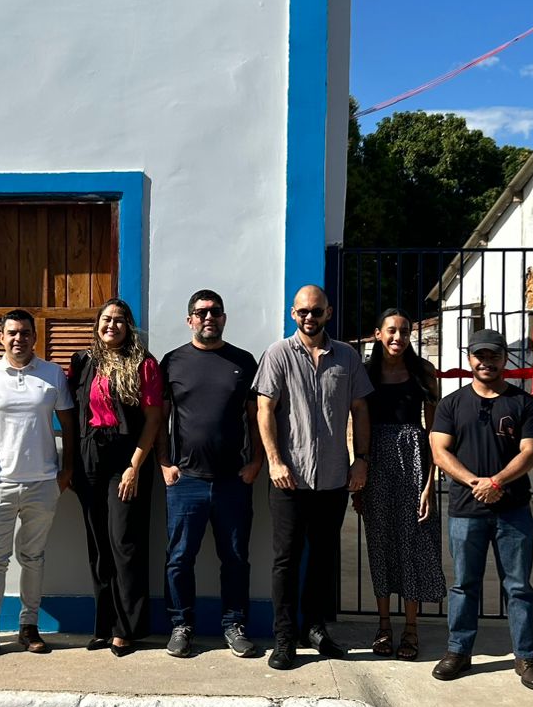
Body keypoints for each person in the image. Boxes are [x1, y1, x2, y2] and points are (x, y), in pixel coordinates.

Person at [254, 285, 372, 670]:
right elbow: (265, 410)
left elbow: (360, 409)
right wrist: (274, 460)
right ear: (293, 313)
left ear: (328, 312)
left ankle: (315, 629)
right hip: (290, 479)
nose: (310, 317)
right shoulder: (277, 355)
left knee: (323, 558)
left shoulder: (348, 357)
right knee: (286, 560)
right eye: (303, 311)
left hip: (334, 478)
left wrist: (361, 460)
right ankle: (285, 638)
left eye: (316, 311)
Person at [428, 328, 533, 690]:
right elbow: (440, 451)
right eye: (480, 355)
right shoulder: (451, 404)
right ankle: (458, 652)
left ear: (504, 359)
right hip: (466, 510)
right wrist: (476, 483)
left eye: (493, 355)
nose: (486, 362)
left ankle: (526, 657)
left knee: (518, 587)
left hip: (512, 511)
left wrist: (496, 482)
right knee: (464, 585)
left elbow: (530, 452)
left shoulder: (524, 404)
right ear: (469, 359)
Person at [157, 289, 264, 659]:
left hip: (233, 480)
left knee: (235, 558)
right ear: (189, 320)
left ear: (224, 317)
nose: (208, 317)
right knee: (179, 558)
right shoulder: (172, 362)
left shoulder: (243, 361)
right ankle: (181, 625)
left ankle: (234, 626)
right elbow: (160, 420)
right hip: (185, 481)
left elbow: (256, 418)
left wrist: (256, 463)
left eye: (215, 311)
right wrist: (163, 463)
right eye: (201, 312)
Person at [0, 309, 76, 662]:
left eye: (25, 333)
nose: (19, 339)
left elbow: (70, 426)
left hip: (43, 484)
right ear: (1, 337)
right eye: (12, 333)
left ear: (34, 336)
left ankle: (29, 627)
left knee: (33, 558)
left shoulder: (52, 374)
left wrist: (65, 472)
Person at [69, 298, 164, 656]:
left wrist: (135, 466)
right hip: (89, 457)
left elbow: (153, 420)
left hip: (126, 459)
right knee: (98, 546)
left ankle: (128, 627)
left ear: (129, 326)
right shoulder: (83, 362)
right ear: (97, 323)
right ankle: (104, 626)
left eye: (120, 320)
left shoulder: (144, 364)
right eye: (106, 319)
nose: (112, 325)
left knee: (125, 543)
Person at [358, 308, 446, 660]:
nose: (398, 337)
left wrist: (430, 485)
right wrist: (359, 475)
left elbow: (436, 434)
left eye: (405, 331)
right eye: (391, 331)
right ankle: (383, 626)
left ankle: (411, 629)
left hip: (413, 463)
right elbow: (358, 423)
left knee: (412, 543)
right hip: (376, 464)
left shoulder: (423, 372)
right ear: (378, 334)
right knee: (379, 544)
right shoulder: (365, 375)